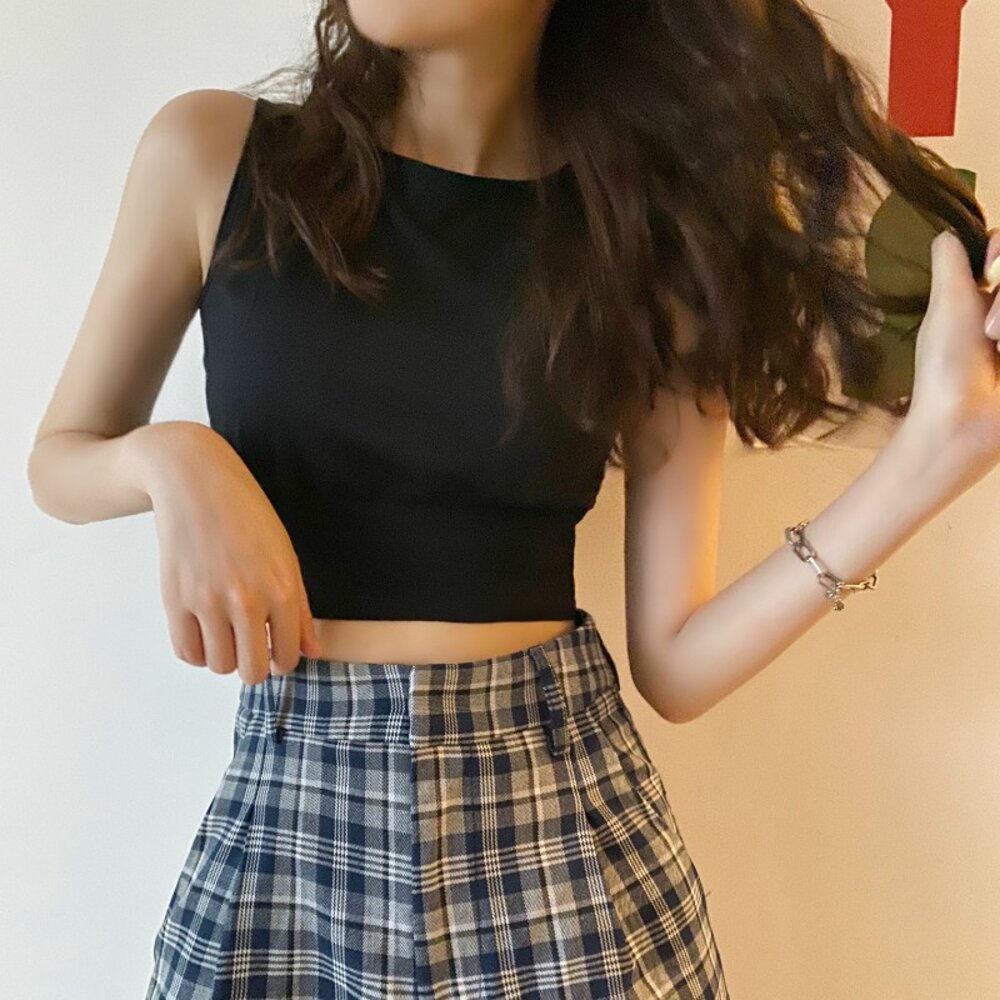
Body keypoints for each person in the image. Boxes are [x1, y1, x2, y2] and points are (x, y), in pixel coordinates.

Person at [26, 1, 1000, 997]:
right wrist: (175, 460)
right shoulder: (212, 155)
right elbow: (59, 458)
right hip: (290, 833)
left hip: (557, 829)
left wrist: (936, 454)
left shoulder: (645, 237)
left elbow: (676, 662)